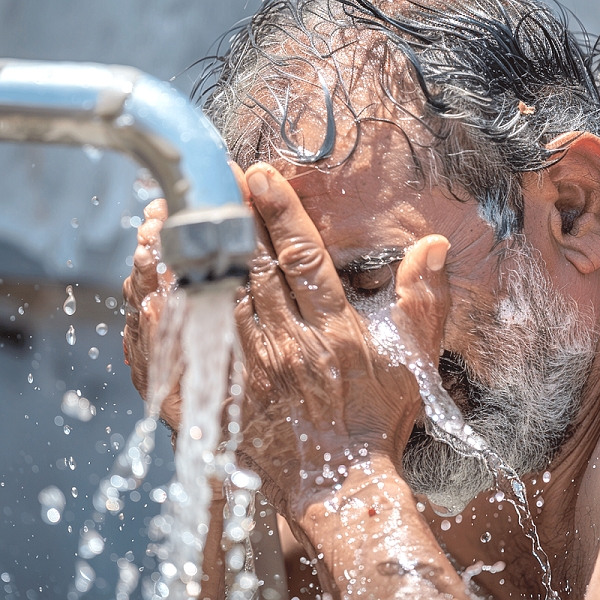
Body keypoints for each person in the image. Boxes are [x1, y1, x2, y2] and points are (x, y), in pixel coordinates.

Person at [123, 0, 600, 597]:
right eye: (296, 298)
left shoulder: (352, 465)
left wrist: (344, 478)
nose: (333, 355)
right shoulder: (366, 477)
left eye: (372, 282)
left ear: (573, 213)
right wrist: (221, 446)